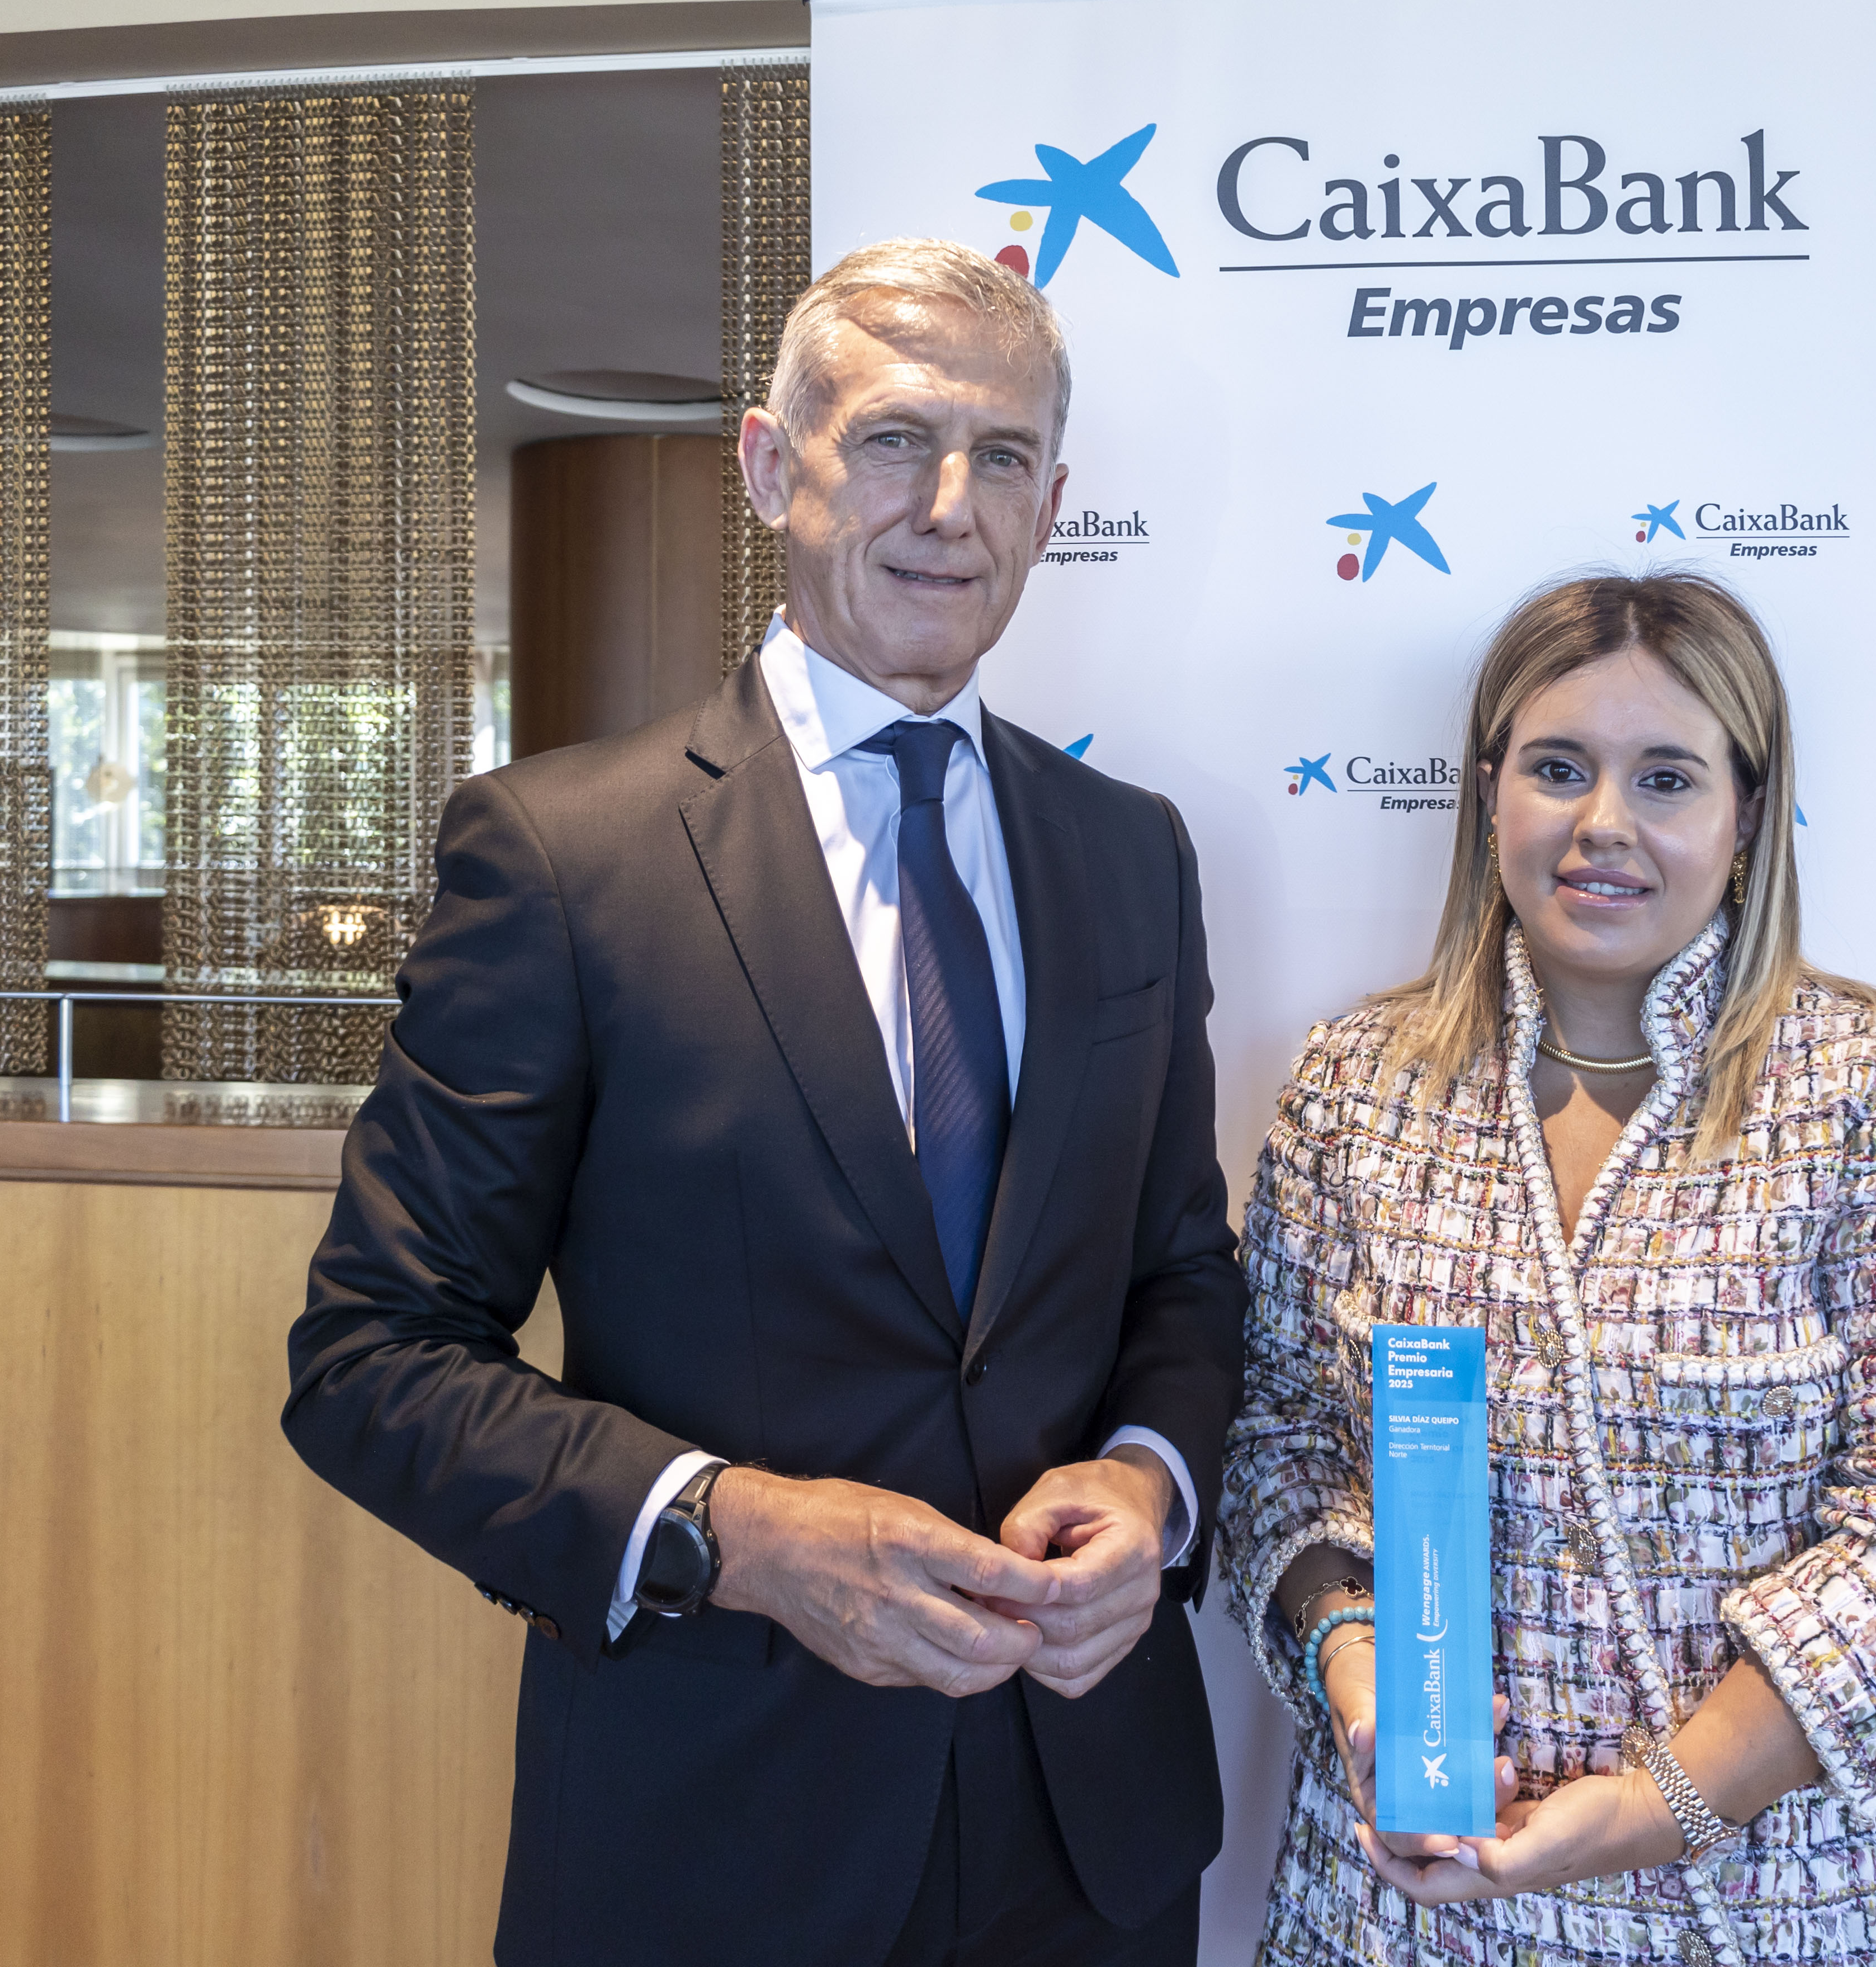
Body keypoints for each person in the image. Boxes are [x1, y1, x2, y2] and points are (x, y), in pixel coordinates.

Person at [283, 239, 1246, 1967]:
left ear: (1052, 502)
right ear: (765, 465)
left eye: (1004, 456)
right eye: (893, 439)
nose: (950, 505)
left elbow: (1178, 1268)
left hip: (1090, 1834)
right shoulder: (565, 857)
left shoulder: (1130, 856)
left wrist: (1154, 1484)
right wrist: (733, 1535)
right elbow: (371, 1359)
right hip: (715, 1839)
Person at [1220, 573, 1876, 1966]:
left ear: (1746, 818)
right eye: (1559, 768)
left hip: (1808, 1902)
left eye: (1665, 778)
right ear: (1490, 790)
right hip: (1414, 1908)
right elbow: (1284, 1446)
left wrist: (1676, 1797)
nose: (1602, 824)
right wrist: (1359, 1676)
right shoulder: (1354, 1085)